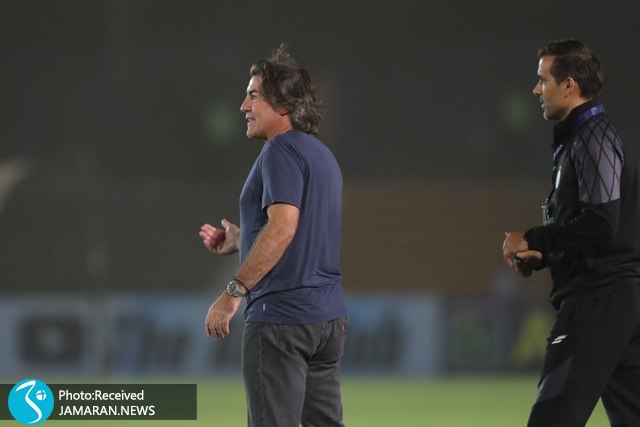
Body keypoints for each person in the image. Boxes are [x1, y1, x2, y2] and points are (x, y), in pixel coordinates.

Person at [199, 44, 348, 427]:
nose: (243, 107)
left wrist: (232, 294)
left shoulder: (279, 150)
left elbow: (283, 227)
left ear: (283, 104)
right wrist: (244, 239)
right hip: (327, 321)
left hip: (281, 319)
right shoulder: (322, 155)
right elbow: (304, 229)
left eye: (253, 96)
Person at [502, 39, 640, 426]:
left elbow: (601, 222)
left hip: (597, 302)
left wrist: (535, 238)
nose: (536, 90)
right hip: (619, 301)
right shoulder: (586, 138)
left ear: (569, 85)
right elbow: (597, 229)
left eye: (542, 80)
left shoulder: (593, 137)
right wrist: (546, 255)